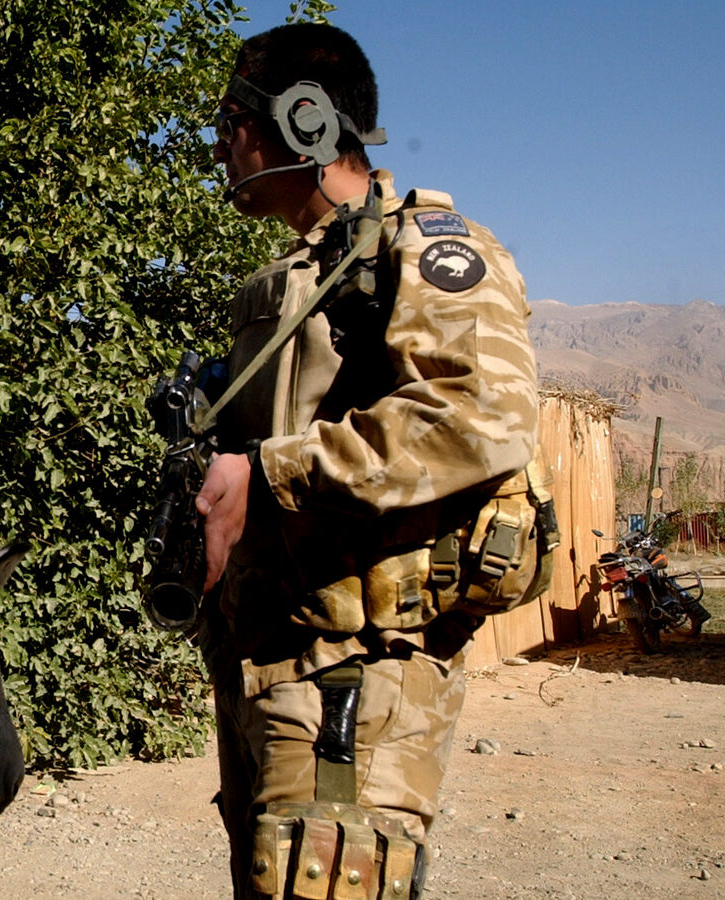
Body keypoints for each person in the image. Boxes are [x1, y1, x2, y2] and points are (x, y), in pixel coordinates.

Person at [189, 23, 538, 899]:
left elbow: (479, 415)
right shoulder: (299, 277)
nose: (219, 144)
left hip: (355, 672)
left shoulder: (426, 247)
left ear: (302, 120)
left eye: (231, 120)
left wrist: (270, 474)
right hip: (270, 665)